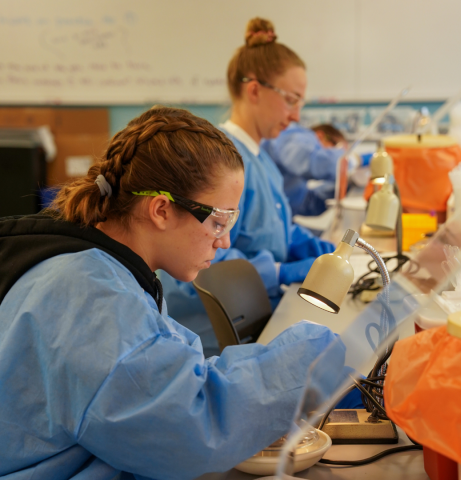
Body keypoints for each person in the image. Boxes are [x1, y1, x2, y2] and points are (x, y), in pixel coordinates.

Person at [0, 106, 357, 480]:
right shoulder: (90, 295)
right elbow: (190, 424)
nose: (226, 241)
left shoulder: (101, 262)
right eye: (219, 221)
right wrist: (306, 361)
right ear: (161, 210)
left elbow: (168, 372)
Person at [162, 18, 337, 356]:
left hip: (259, 319)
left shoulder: (261, 158)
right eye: (291, 100)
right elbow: (202, 256)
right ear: (254, 89)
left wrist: (304, 243)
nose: (297, 115)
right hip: (217, 338)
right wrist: (279, 271)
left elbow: (269, 227)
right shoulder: (219, 162)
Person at [263, 122, 347, 216]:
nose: (337, 154)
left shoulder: (291, 179)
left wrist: (345, 184)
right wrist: (355, 160)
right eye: (337, 149)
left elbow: (304, 202)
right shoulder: (292, 136)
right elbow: (319, 162)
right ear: (320, 136)